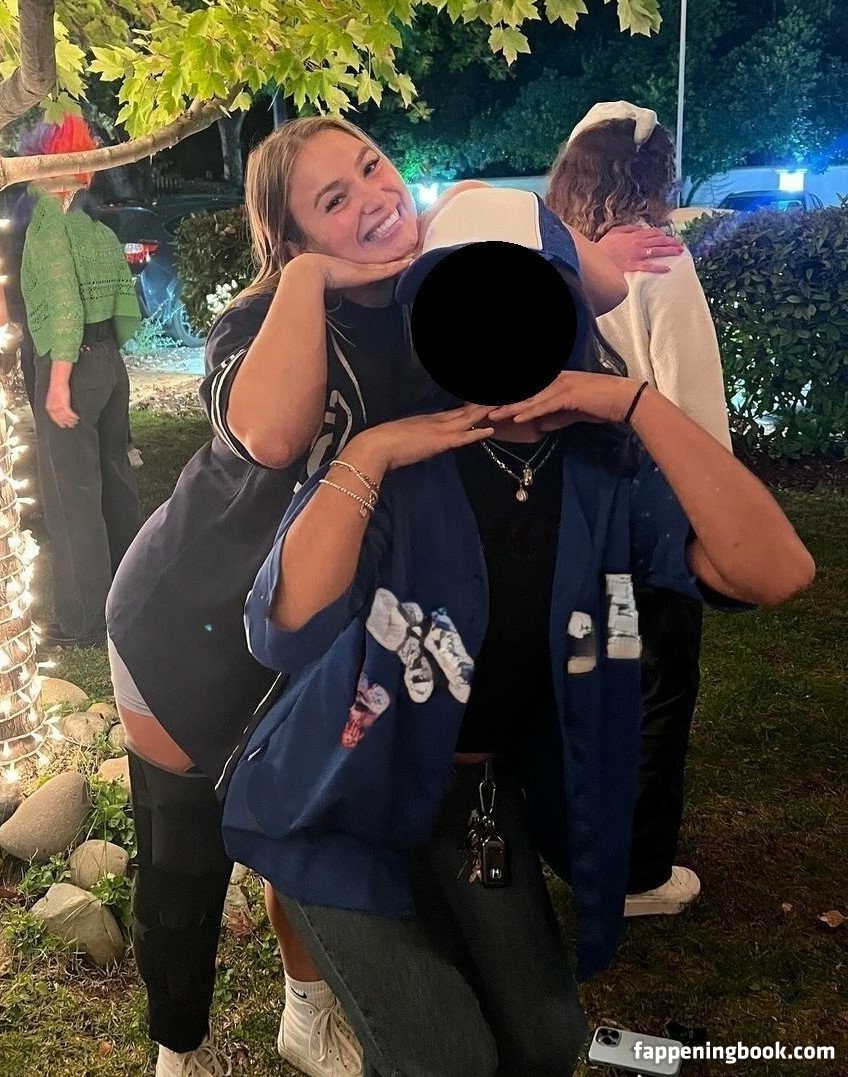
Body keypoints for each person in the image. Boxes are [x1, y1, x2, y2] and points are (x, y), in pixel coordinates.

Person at [105, 115, 673, 1077]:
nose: (374, 197)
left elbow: (596, 289)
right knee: (186, 851)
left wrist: (505, 212)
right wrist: (306, 280)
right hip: (191, 621)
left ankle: (305, 1005)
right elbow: (274, 437)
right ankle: (178, 1045)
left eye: (373, 168)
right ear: (292, 238)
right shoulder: (263, 319)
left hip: (319, 624)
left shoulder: (432, 290)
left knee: (305, 805)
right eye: (334, 199)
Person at [222, 186, 815, 1077]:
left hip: (477, 797)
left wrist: (639, 404)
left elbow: (775, 570)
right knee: (448, 1057)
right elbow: (285, 624)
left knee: (545, 1045)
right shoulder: (398, 457)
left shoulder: (605, 477)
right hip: (339, 797)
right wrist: (369, 454)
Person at [546, 101, 733, 917]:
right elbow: (693, 408)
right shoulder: (661, 259)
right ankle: (638, 871)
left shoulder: (550, 260)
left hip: (567, 515)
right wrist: (716, 518)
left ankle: (574, 844)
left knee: (587, 679)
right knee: (657, 684)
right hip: (649, 519)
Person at [17, 116, 143, 647]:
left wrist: (58, 380)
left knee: (72, 494)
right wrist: (105, 357)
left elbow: (64, 305)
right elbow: (128, 308)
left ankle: (83, 618)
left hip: (69, 363)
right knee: (116, 480)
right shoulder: (99, 231)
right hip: (110, 362)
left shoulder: (48, 227)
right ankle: (132, 595)